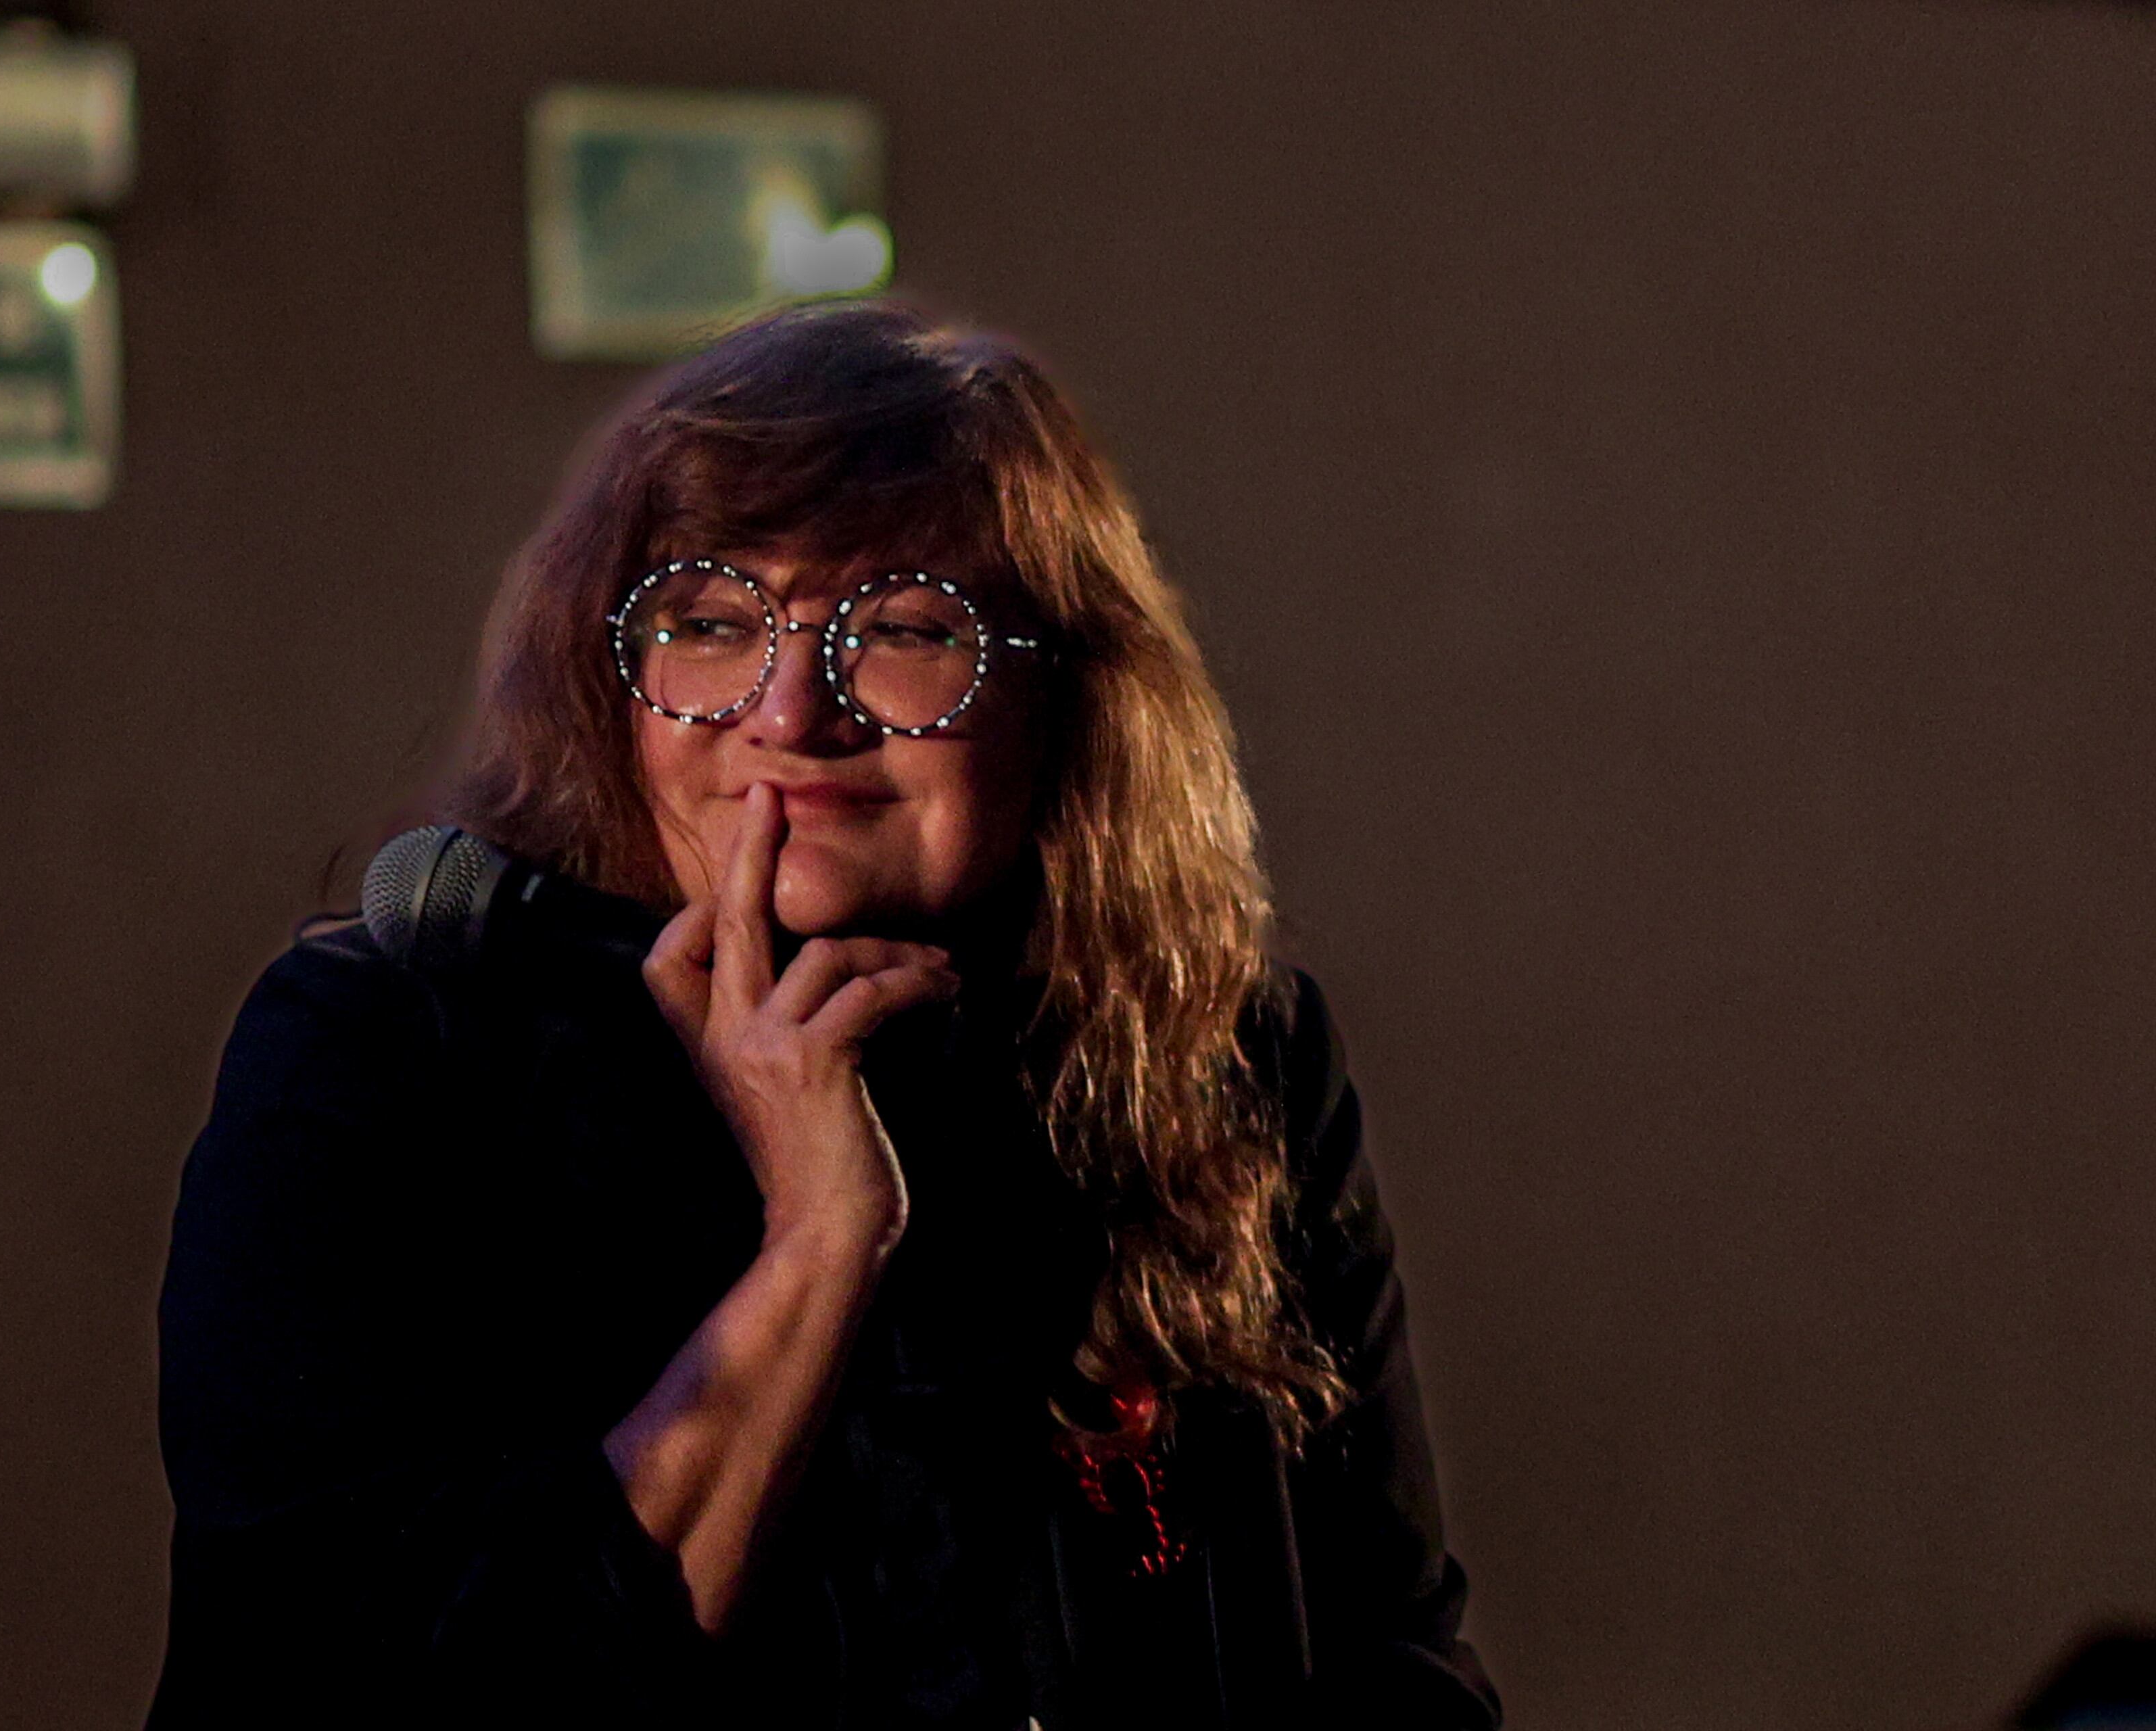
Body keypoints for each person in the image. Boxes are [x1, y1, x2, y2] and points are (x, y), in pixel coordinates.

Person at [146, 301, 1502, 1729]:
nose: (792, 712)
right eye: (713, 623)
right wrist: (818, 1241)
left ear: (1068, 694)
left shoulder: (1222, 1051)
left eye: (904, 627)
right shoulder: (391, 1058)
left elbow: (1395, 1654)